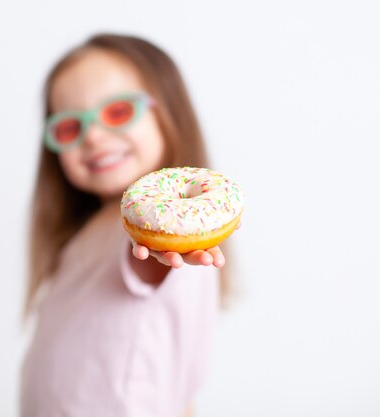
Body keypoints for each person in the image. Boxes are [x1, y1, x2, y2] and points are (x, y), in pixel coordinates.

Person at [21, 33, 240, 417]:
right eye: (70, 128)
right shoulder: (88, 231)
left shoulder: (161, 234)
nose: (94, 137)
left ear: (167, 112)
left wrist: (168, 247)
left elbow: (151, 259)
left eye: (118, 112)